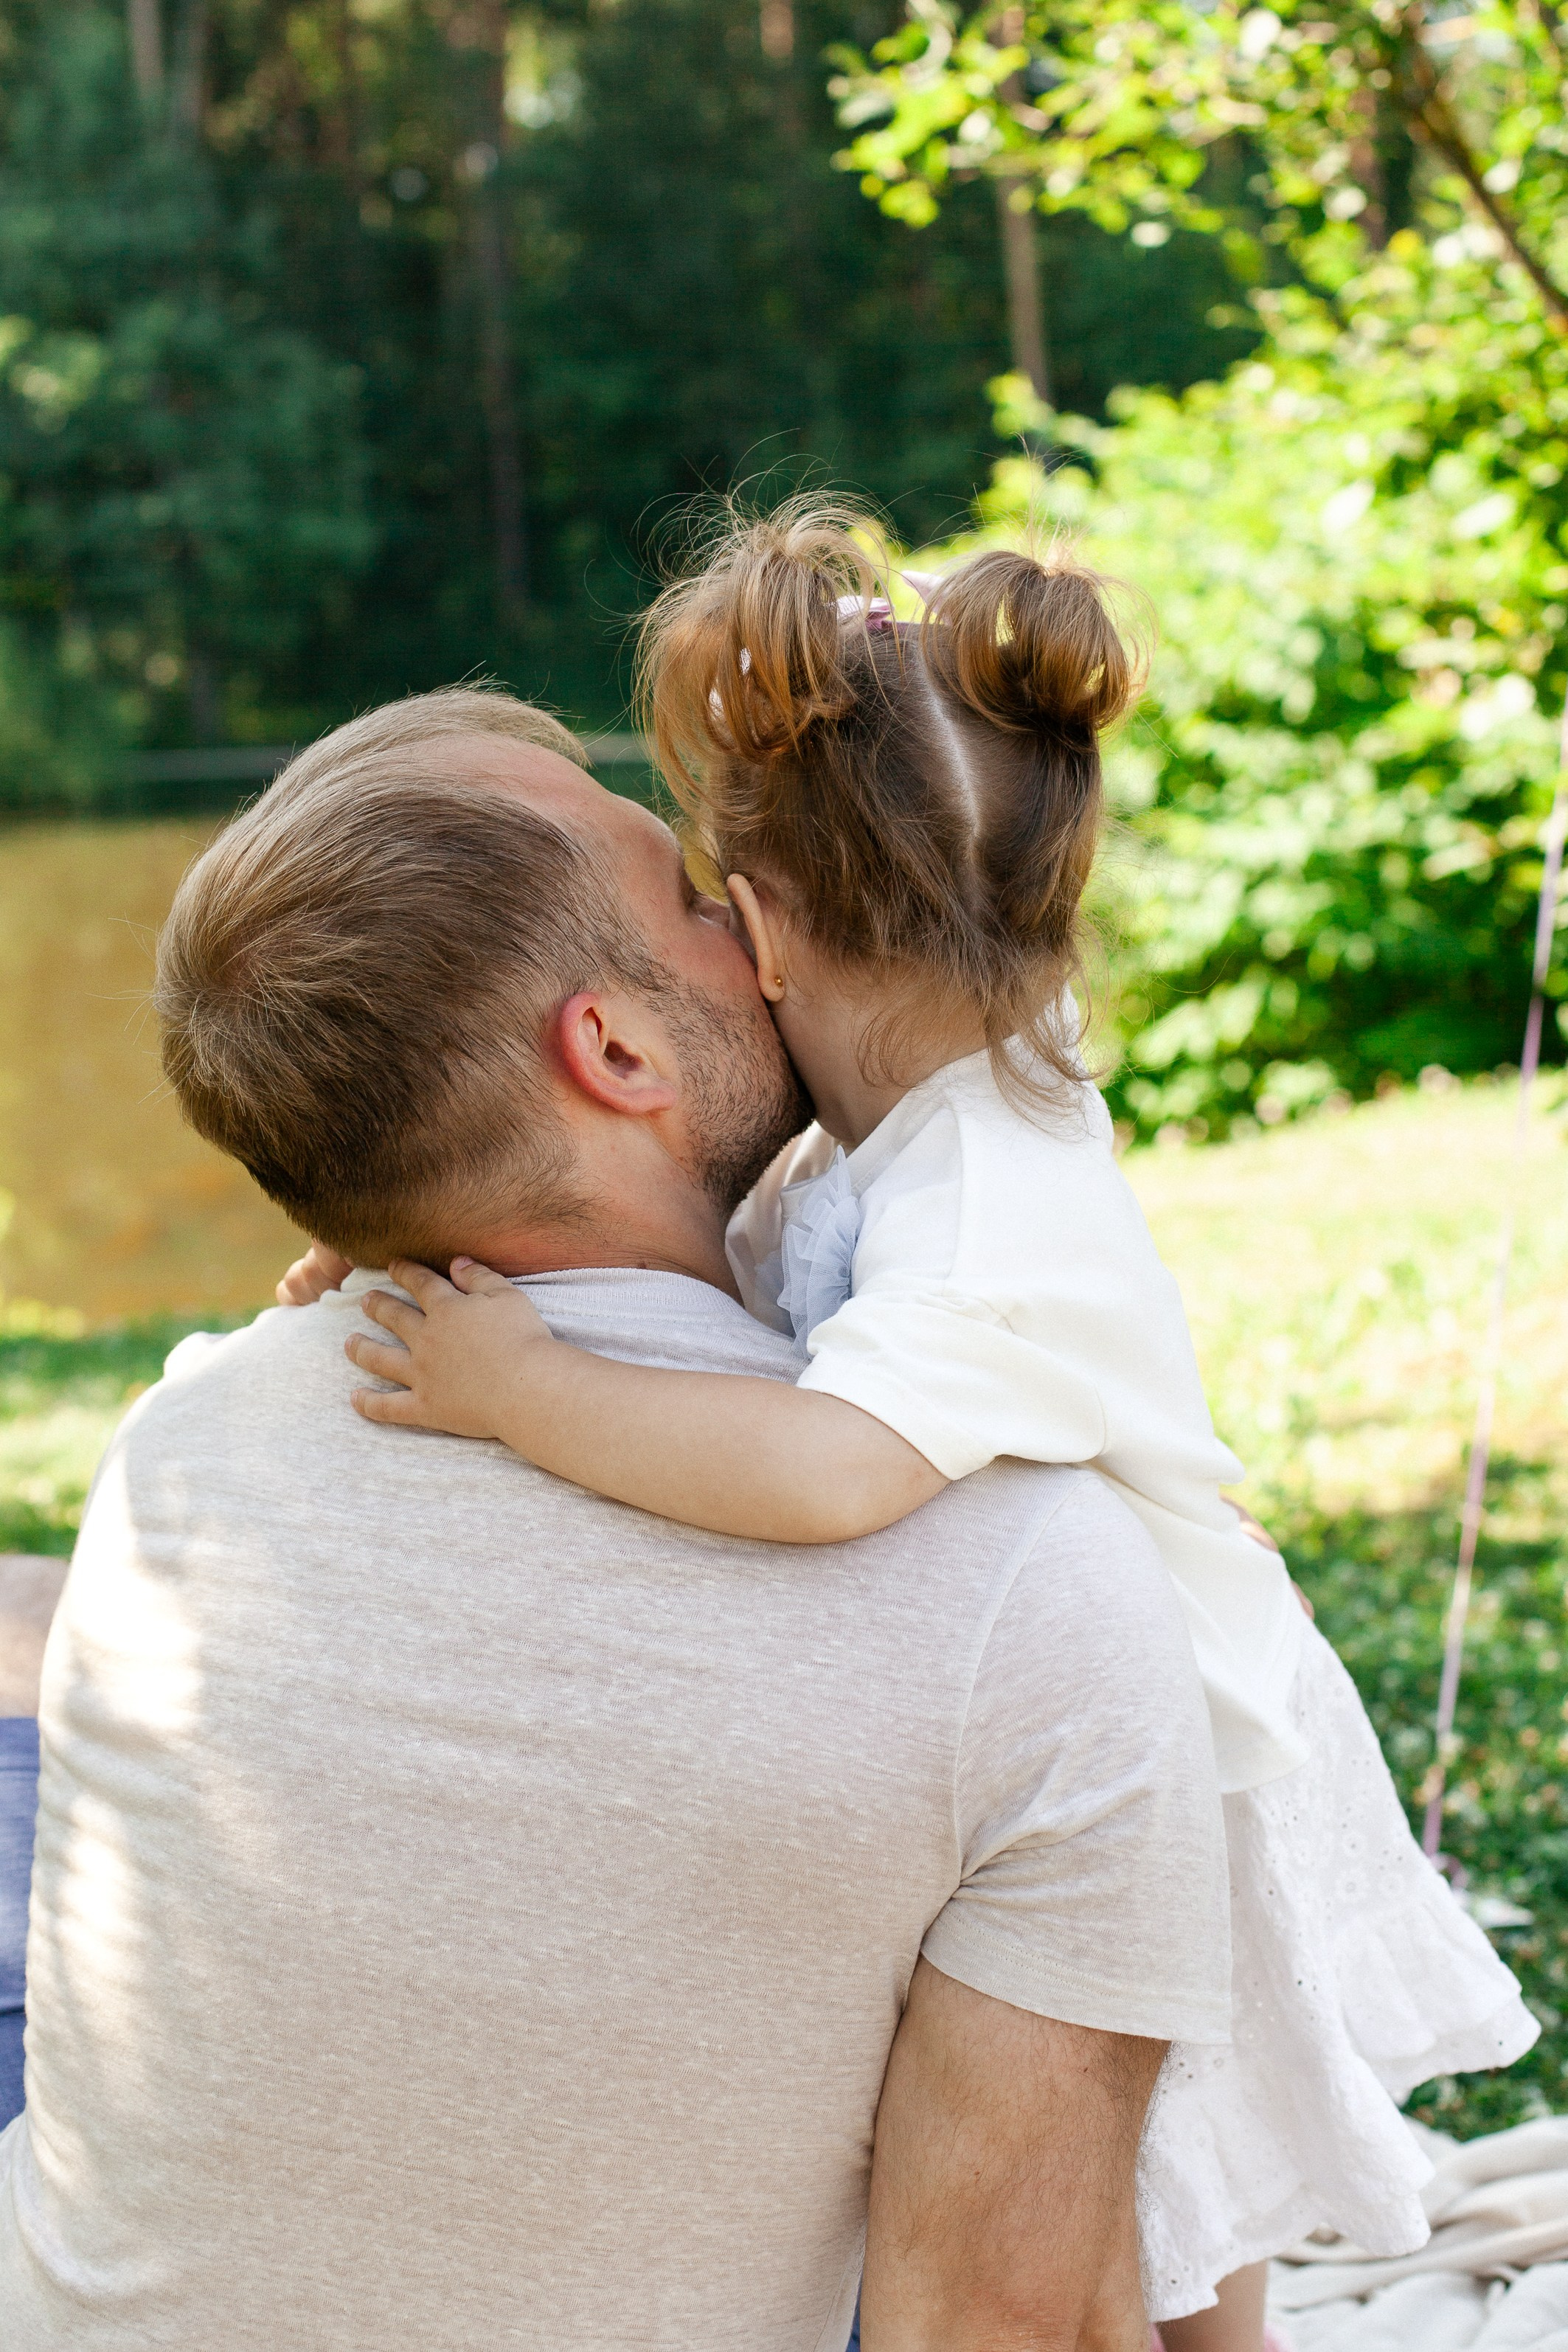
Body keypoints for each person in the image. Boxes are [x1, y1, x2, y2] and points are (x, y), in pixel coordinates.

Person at [319, 515, 1538, 2352]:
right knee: (1149, 2223)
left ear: (779, 933)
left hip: (1166, 1774)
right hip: (1105, 1731)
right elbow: (716, 1243)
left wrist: (526, 1390)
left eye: (715, 905)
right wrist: (415, 1203)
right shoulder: (911, 1118)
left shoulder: (993, 1199)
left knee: (1125, 2230)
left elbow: (828, 1470)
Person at [0, 688, 1235, 2351]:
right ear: (618, 1049)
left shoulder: (180, 1449)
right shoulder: (1035, 1584)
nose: (748, 909)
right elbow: (1008, 2321)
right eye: (691, 891)